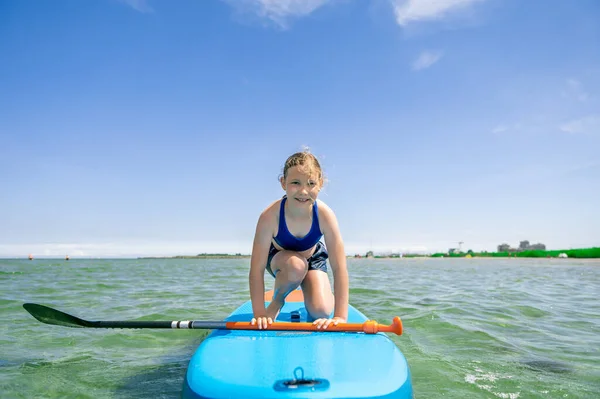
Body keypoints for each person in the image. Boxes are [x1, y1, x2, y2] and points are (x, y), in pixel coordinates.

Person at [249, 150, 349, 331]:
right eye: (295, 183)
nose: (303, 191)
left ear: (320, 184)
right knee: (296, 266)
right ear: (283, 183)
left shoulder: (326, 215)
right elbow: (256, 270)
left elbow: (339, 267)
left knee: (321, 311)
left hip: (312, 258)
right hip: (281, 262)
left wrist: (340, 316)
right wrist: (259, 313)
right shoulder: (269, 216)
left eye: (311, 183)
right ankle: (278, 300)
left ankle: (313, 292)